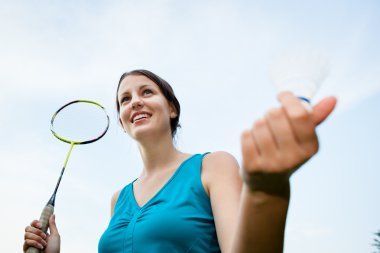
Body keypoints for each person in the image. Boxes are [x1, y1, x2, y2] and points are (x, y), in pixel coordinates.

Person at [23, 69, 336, 253]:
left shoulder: (214, 166)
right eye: (125, 99)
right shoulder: (118, 199)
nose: (136, 102)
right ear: (122, 121)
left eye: (147, 92)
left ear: (172, 108)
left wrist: (268, 192)